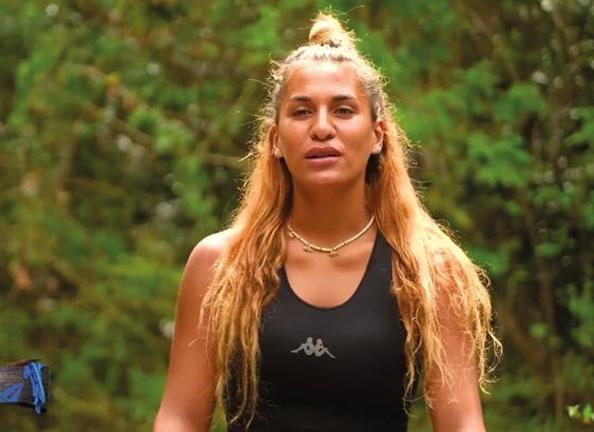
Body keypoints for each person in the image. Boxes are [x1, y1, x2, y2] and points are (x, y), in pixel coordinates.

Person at [154, 11, 501, 432]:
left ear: (377, 135)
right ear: (275, 140)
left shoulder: (430, 270)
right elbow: (179, 418)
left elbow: (463, 423)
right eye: (301, 112)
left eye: (343, 110)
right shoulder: (219, 264)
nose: (321, 128)